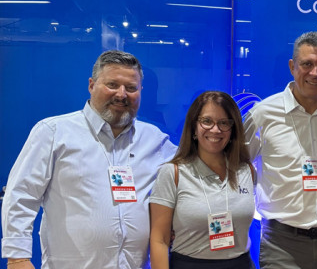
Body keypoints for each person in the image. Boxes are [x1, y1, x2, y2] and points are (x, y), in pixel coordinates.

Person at [1, 50, 177, 269]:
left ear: (141, 91)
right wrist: (17, 257)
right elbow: (21, 194)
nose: (121, 94)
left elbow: (192, 172)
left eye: (131, 88)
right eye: (112, 85)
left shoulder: (155, 139)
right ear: (92, 85)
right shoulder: (53, 132)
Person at [244, 31, 317, 269]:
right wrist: (255, 207)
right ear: (292, 66)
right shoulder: (263, 113)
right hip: (281, 242)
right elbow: (237, 166)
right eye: (307, 64)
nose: (315, 73)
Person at [149, 91, 255, 269]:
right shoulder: (173, 173)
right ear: (194, 127)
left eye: (224, 123)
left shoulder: (246, 170)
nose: (215, 129)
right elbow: (160, 239)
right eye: (207, 121)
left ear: (233, 129)